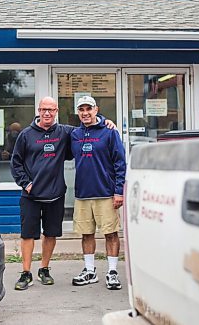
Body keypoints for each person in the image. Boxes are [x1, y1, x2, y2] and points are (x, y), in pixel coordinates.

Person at [10, 96, 115, 291]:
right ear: (39, 111)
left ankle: (44, 269)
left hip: (55, 195)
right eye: (44, 110)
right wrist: (26, 183)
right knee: (27, 235)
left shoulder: (66, 132)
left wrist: (105, 120)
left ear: (56, 111)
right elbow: (15, 163)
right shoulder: (25, 135)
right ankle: (26, 273)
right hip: (31, 196)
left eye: (51, 109)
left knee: (50, 234)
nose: (47, 113)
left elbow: (88, 125)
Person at [69, 95, 126, 290]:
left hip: (106, 193)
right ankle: (90, 271)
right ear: (78, 112)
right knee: (86, 234)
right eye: (81, 109)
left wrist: (119, 192)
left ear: (96, 110)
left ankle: (112, 272)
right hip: (83, 194)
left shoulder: (109, 132)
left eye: (89, 109)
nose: (85, 113)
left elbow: (120, 162)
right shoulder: (75, 134)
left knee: (110, 233)